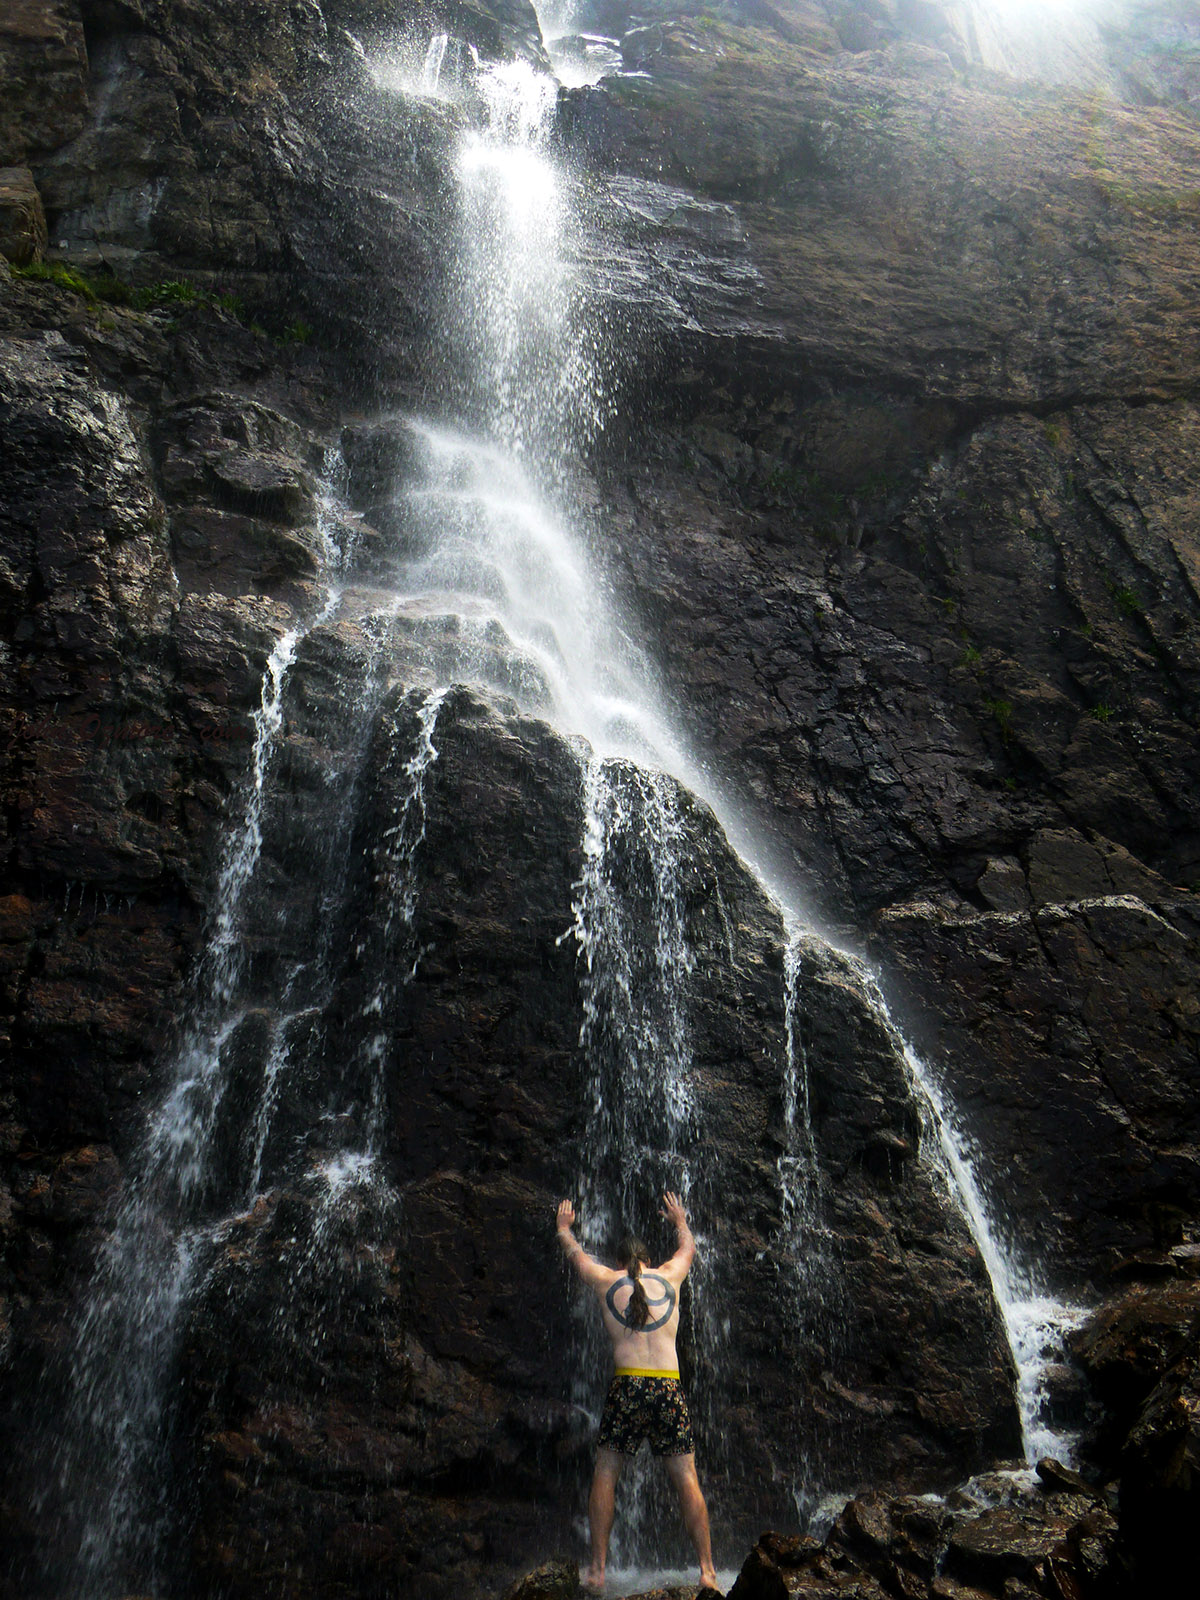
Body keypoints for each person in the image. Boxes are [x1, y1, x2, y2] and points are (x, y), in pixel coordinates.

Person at [556, 1191, 718, 1595]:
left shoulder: (607, 1280)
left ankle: (596, 1571)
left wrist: (564, 1230)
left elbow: (577, 1259)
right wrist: (679, 1219)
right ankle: (708, 1572)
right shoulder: (670, 1277)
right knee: (686, 1477)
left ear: (619, 1261)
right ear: (648, 1260)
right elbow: (688, 1249)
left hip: (628, 1384)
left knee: (606, 1472)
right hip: (668, 1387)